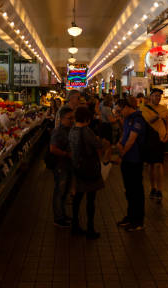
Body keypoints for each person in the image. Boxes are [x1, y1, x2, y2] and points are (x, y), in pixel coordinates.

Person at [69, 106, 107, 239]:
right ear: (87, 118)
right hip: (89, 168)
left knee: (77, 199)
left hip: (77, 167)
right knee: (91, 200)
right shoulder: (87, 131)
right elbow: (98, 146)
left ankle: (75, 225)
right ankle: (90, 229)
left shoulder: (72, 130)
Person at [115, 96, 146, 231]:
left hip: (135, 159)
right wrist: (119, 144)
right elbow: (124, 135)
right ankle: (130, 216)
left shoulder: (138, 119)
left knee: (136, 190)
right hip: (127, 159)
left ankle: (138, 220)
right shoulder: (127, 119)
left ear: (127, 107)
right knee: (129, 190)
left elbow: (132, 140)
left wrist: (121, 153)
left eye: (120, 110)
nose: (119, 113)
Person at [140, 88, 168, 202]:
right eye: (156, 95)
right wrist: (158, 116)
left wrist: (167, 135)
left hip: (160, 140)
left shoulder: (164, 109)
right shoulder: (144, 109)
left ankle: (159, 189)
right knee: (151, 166)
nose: (158, 98)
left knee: (159, 164)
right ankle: (152, 187)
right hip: (149, 139)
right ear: (151, 96)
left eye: (159, 96)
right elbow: (148, 121)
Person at [49, 107, 74, 227]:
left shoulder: (70, 129)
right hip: (60, 165)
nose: (72, 120)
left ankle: (62, 214)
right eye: (70, 118)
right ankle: (58, 218)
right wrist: (66, 154)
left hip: (68, 165)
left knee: (64, 192)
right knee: (59, 191)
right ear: (62, 118)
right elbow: (52, 149)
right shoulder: (58, 131)